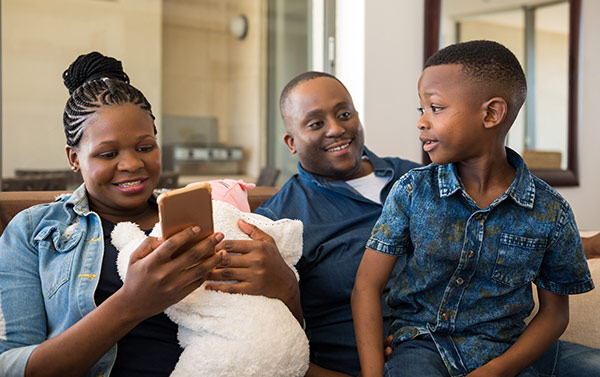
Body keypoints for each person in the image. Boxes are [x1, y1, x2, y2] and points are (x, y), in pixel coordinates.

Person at [0, 51, 299, 377]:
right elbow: (10, 366)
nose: (131, 164)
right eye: (108, 153)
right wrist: (130, 304)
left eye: (144, 147)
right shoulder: (34, 231)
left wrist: (287, 288)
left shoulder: (210, 214)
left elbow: (278, 338)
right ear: (74, 158)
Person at [351, 40, 598, 377]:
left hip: (507, 351)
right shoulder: (412, 191)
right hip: (424, 345)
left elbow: (555, 314)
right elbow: (366, 286)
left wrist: (495, 371)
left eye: (435, 108)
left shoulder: (550, 213)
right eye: (420, 109)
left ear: (491, 113)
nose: (422, 122)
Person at [253, 70, 421, 376]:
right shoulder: (278, 220)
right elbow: (270, 341)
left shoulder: (416, 179)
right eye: (316, 124)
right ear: (291, 142)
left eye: (344, 114)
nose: (336, 129)